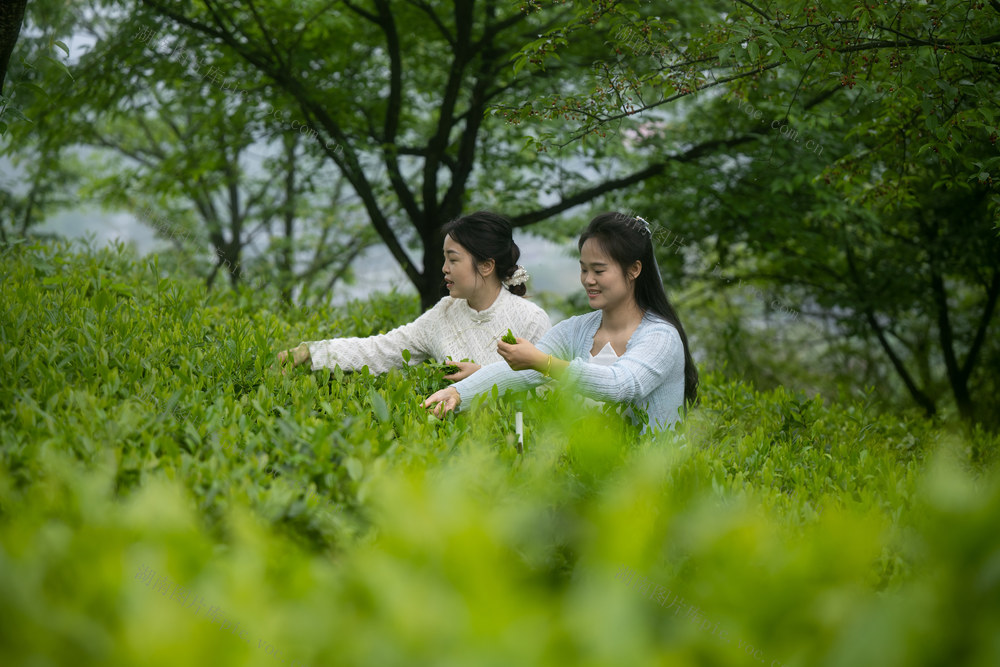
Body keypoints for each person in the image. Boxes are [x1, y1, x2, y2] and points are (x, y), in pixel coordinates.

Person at [422, 211, 698, 433]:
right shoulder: (576, 329)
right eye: (584, 269)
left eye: (599, 270)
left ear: (634, 270)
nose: (588, 280)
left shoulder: (660, 336)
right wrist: (458, 392)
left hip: (655, 477)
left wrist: (543, 363)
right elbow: (520, 372)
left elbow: (621, 385)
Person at [277, 211, 551, 379]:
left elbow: (550, 390)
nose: (444, 269)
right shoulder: (444, 314)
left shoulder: (530, 319)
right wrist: (311, 352)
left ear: (487, 266)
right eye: (444, 258)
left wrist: (484, 377)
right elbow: (381, 350)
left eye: (453, 259)